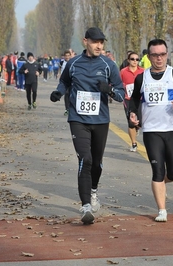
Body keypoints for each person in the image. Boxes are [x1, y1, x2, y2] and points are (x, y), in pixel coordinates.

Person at [49, 27, 125, 225]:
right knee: (85, 158)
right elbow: (64, 82)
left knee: (97, 162)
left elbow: (120, 94)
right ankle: (85, 207)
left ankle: (93, 192)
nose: (99, 45)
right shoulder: (73, 63)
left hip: (100, 120)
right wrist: (58, 92)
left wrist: (108, 90)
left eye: (101, 42)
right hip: (78, 118)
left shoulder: (108, 65)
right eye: (95, 42)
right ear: (86, 41)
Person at [129, 39, 173, 222]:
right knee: (157, 170)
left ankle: (159, 184)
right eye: (155, 55)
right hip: (151, 131)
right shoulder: (142, 78)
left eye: (163, 54)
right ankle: (162, 210)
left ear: (167, 55)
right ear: (149, 57)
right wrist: (133, 114)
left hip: (172, 130)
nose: (159, 58)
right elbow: (134, 100)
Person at [120, 51, 144, 152]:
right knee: (131, 122)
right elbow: (119, 84)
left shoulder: (143, 71)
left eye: (137, 59)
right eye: (133, 59)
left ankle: (137, 127)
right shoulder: (123, 72)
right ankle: (134, 143)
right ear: (128, 60)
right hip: (128, 100)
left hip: (141, 100)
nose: (135, 61)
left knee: (141, 122)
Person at [60, 49, 72, 116]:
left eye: (68, 55)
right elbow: (60, 68)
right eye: (66, 56)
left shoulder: (72, 62)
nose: (67, 57)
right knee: (66, 94)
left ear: (70, 56)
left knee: (72, 95)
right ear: (64, 56)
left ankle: (72, 108)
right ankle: (67, 109)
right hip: (65, 81)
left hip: (71, 80)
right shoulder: (62, 62)